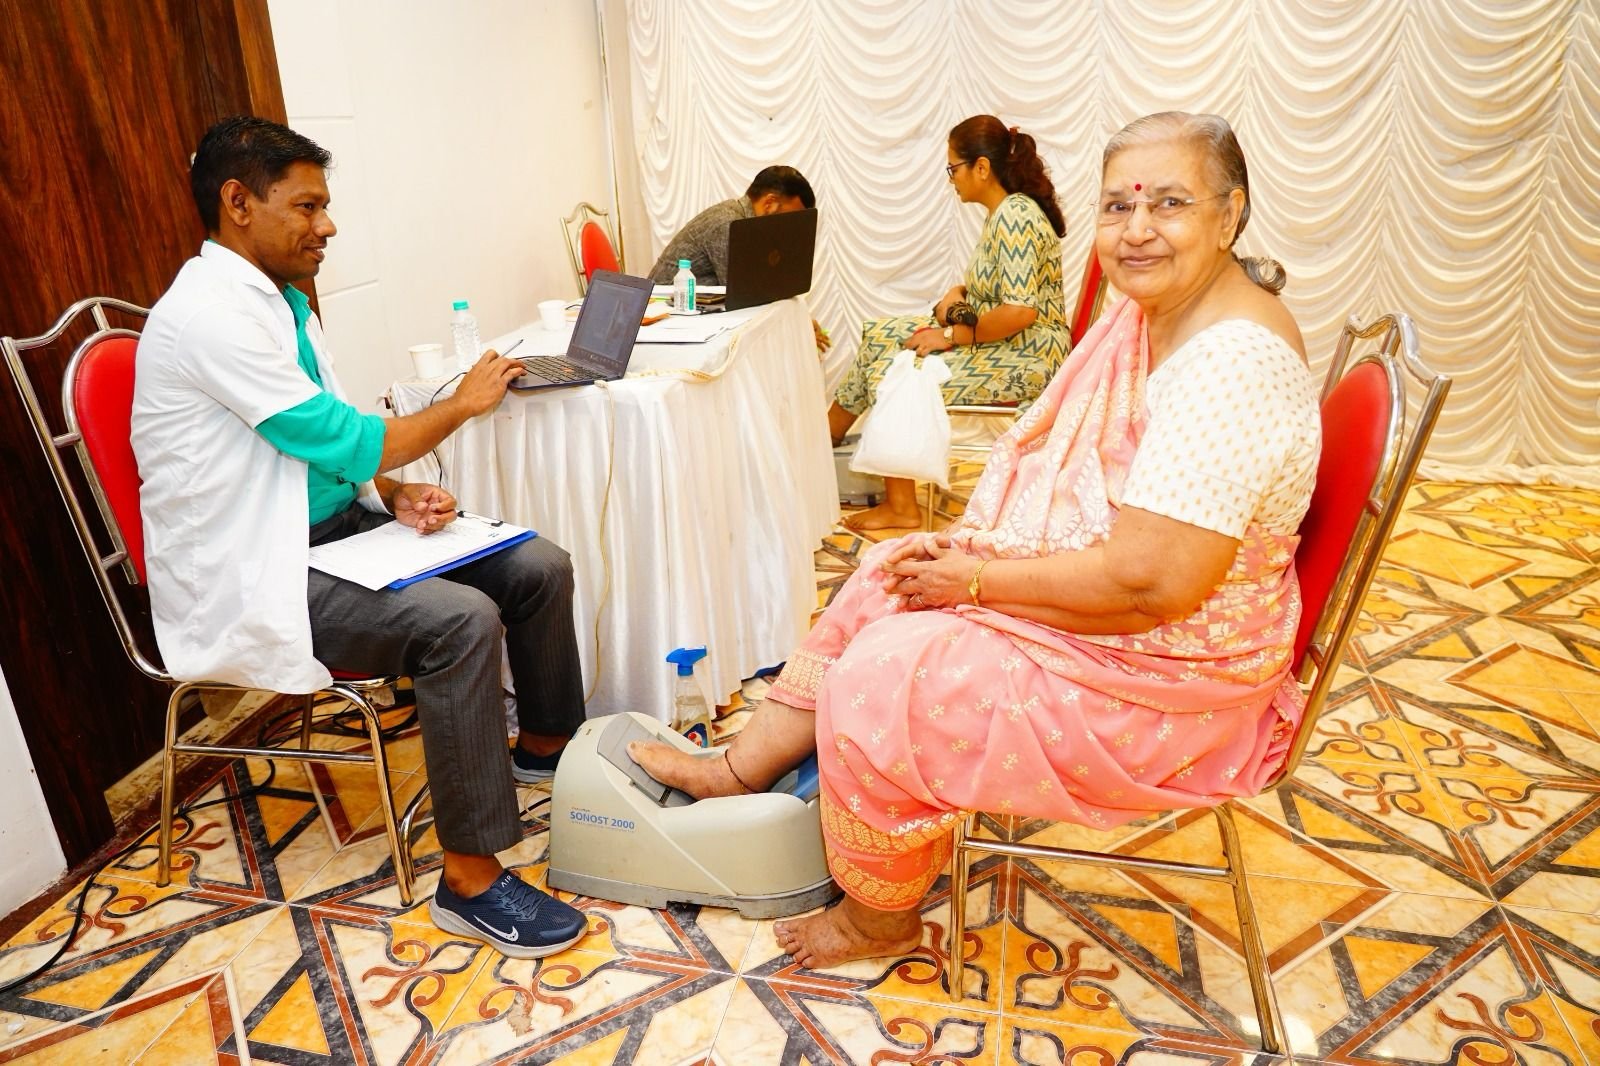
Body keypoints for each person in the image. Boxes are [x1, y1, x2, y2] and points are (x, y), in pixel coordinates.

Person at [632, 112, 1321, 968]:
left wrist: (975, 583)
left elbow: (1153, 586)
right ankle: (740, 770)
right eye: (1118, 206)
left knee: (882, 676)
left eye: (1169, 203)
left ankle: (879, 919)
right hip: (1146, 623)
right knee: (890, 569)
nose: (1137, 229)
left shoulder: (1230, 365)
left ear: (1230, 213)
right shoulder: (1168, 315)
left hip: (1169, 682)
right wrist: (971, 568)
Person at [133, 116, 589, 960]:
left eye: (325, 206)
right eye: (307, 206)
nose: (328, 225)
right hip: (259, 568)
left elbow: (325, 446)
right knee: (459, 624)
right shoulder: (207, 317)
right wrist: (459, 406)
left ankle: (545, 750)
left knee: (537, 565)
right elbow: (344, 438)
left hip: (332, 532)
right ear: (238, 202)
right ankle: (470, 882)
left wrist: (392, 491)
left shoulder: (282, 301)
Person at [831, 116, 1073, 530]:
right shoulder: (1004, 212)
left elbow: (1020, 311)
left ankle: (900, 506)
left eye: (953, 168)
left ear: (982, 167)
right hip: (1012, 340)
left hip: (1029, 354)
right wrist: (957, 295)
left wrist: (949, 335)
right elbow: (997, 287)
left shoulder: (1015, 215)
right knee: (879, 335)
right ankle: (825, 447)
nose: (951, 179)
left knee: (892, 370)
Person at [647, 165, 816, 286]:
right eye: (792, 216)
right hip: (665, 310)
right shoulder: (728, 223)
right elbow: (743, 290)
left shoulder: (748, 225)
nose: (791, 225)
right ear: (769, 203)